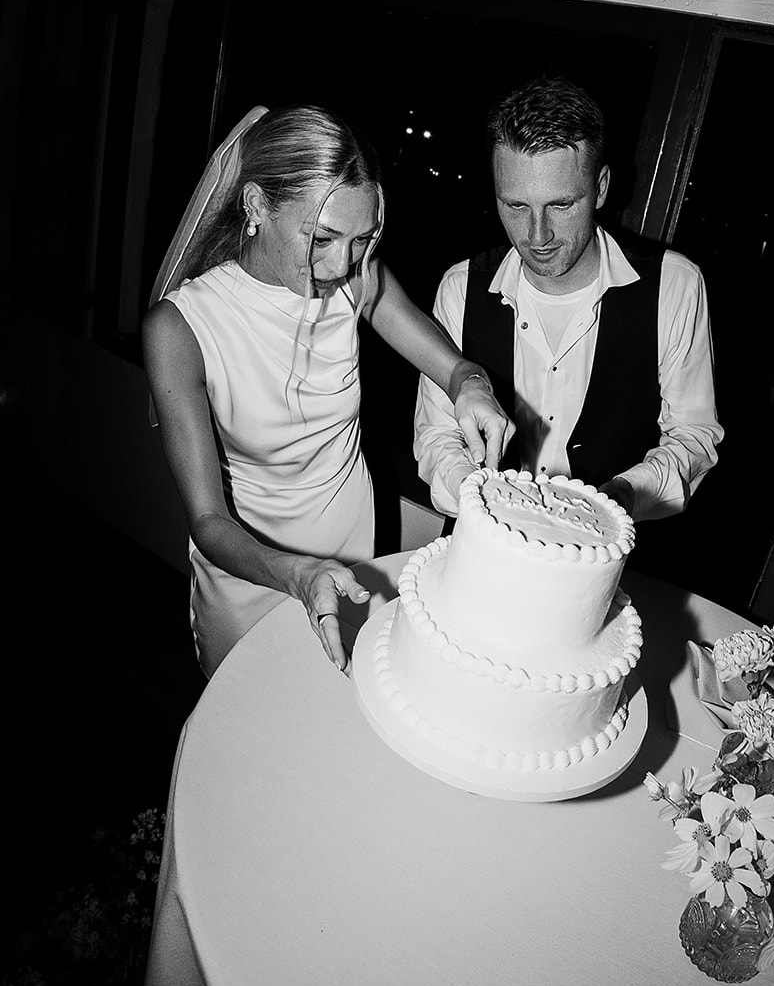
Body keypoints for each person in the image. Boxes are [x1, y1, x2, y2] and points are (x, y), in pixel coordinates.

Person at [143, 103, 510, 678]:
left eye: (361, 239)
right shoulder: (181, 328)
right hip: (252, 572)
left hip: (352, 554)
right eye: (321, 238)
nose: (342, 265)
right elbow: (208, 521)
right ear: (257, 205)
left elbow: (455, 368)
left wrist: (472, 387)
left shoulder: (355, 274)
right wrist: (297, 573)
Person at [413, 79, 722, 554]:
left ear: (599, 188)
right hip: (481, 553)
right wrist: (482, 500)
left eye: (560, 204)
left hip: (608, 562)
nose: (538, 235)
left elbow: (694, 437)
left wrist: (619, 498)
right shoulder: (461, 287)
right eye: (516, 205)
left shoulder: (675, 285)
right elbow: (436, 437)